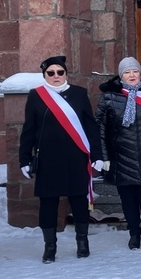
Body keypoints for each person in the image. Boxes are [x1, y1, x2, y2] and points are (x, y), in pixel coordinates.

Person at [19, 56, 103, 263]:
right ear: (45, 75)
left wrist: (98, 155)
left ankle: (82, 243)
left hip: (76, 157)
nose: (56, 76)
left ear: (65, 74)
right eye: (51, 73)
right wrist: (24, 159)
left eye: (60, 72)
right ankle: (50, 247)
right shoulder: (36, 96)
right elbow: (28, 130)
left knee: (79, 201)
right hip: (48, 159)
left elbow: (91, 127)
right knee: (48, 203)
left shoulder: (79, 94)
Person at [95, 57, 141, 250]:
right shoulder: (109, 97)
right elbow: (100, 128)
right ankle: (134, 233)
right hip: (121, 157)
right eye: (127, 72)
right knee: (128, 201)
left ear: (140, 73)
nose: (131, 75)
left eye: (134, 71)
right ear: (121, 76)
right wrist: (103, 156)